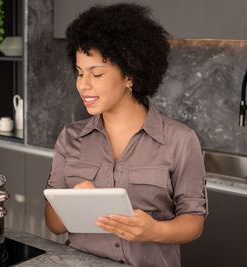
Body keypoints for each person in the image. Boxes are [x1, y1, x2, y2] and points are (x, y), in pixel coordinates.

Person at [45, 3, 208, 267]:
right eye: (79, 72)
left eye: (96, 73)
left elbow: (194, 222)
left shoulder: (180, 140)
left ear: (129, 76)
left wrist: (155, 230)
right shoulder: (70, 137)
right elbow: (53, 224)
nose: (83, 84)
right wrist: (74, 201)